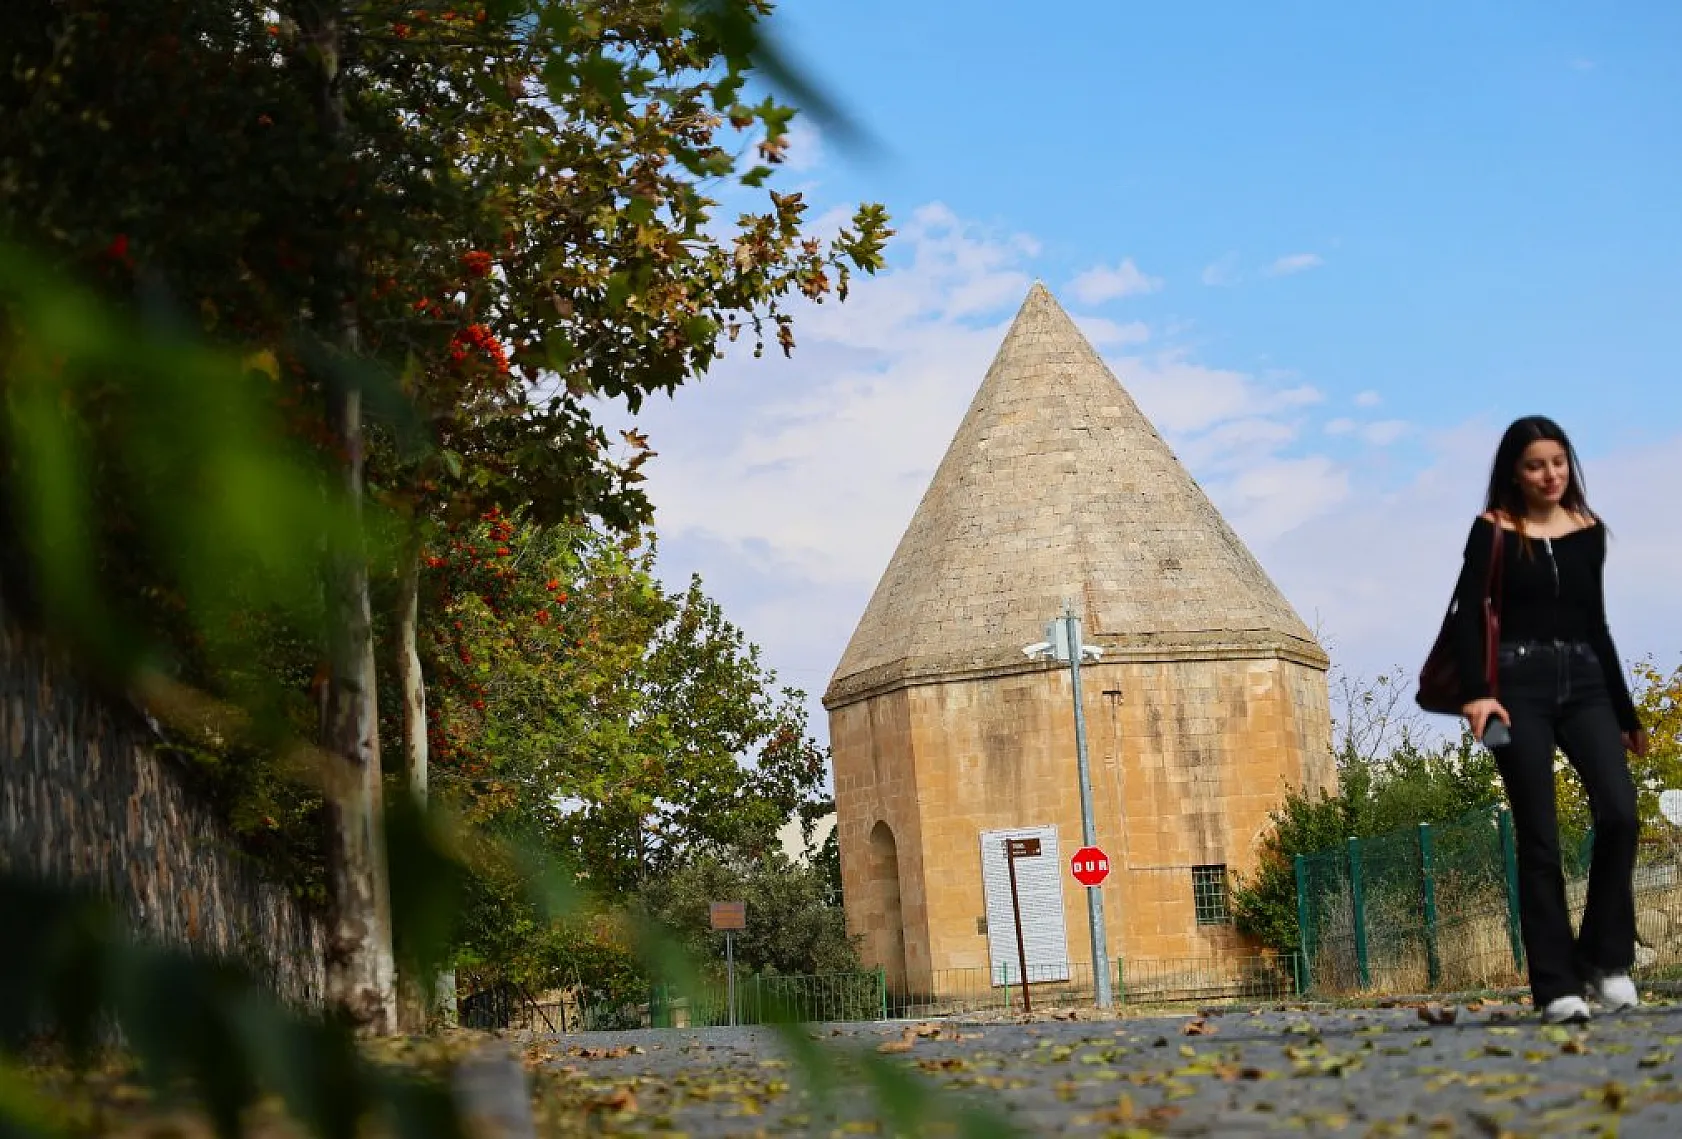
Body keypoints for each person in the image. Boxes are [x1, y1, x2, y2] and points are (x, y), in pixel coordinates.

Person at [1452, 415, 1649, 1024]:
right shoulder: (1493, 532)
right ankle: (1556, 985)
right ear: (1515, 470)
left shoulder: (1589, 531)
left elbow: (1598, 624)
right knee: (1540, 836)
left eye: (1558, 463)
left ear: (1570, 464)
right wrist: (1480, 693)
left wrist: (1625, 711)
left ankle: (1605, 957)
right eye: (1536, 465)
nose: (1550, 475)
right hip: (1518, 686)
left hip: (1586, 682)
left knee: (1620, 813)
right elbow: (1468, 613)